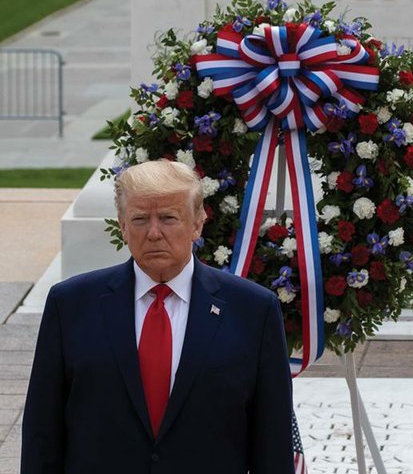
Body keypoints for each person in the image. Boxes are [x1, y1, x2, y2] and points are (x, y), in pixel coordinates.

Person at [21, 159, 294, 473]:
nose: (153, 233)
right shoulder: (70, 305)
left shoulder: (253, 311)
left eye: (168, 218)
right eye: (140, 219)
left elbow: (272, 442)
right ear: (122, 225)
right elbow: (42, 432)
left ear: (197, 223)